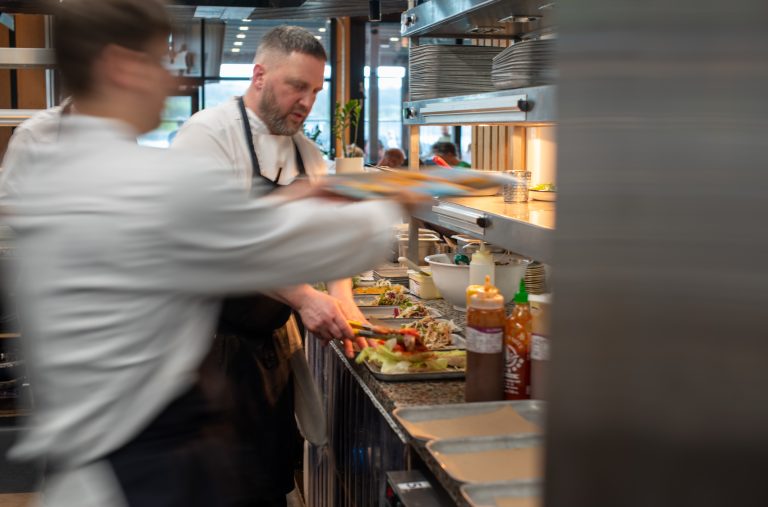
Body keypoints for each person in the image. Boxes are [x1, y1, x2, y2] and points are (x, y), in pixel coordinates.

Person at [0, 1, 412, 505]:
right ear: (120, 67)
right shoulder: (152, 178)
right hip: (148, 466)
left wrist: (304, 203)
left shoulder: (66, 172)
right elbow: (278, 239)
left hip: (96, 457)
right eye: (161, 62)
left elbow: (236, 225)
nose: (173, 81)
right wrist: (397, 198)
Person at [171, 26, 364, 505]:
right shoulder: (208, 135)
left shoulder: (308, 155)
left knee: (266, 482)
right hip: (198, 348)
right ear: (259, 75)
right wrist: (301, 296)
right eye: (296, 86)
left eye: (315, 91)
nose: (307, 102)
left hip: (267, 352)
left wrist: (343, 298)